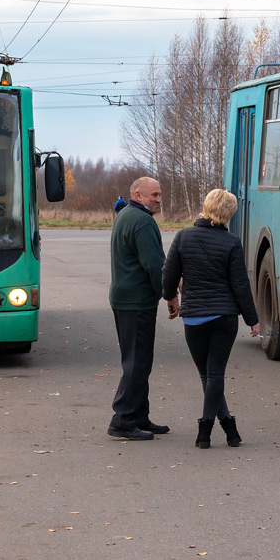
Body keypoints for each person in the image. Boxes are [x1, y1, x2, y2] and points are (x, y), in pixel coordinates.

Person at [162, 189, 260, 449]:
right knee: (214, 374)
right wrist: (253, 319)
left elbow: (168, 276)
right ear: (228, 214)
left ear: (205, 207)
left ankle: (207, 432)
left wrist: (171, 298)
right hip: (224, 317)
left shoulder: (183, 237)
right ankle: (227, 428)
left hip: (194, 317)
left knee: (207, 376)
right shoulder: (231, 243)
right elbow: (241, 285)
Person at [108, 176, 171, 441]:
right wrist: (171, 294)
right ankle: (123, 419)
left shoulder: (125, 215)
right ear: (138, 195)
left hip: (125, 299)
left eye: (159, 195)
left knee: (138, 360)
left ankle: (139, 416)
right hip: (136, 302)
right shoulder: (142, 222)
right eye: (153, 195)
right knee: (137, 362)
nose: (158, 199)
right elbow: (156, 265)